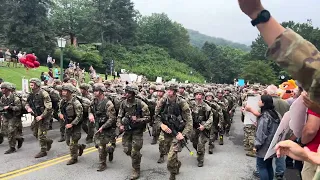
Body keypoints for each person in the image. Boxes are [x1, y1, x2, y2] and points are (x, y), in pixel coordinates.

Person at [154, 83, 193, 180]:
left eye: (171, 90)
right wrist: (161, 125)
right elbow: (156, 116)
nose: (168, 91)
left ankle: (172, 175)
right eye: (167, 89)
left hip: (178, 133)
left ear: (175, 91)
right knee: (167, 152)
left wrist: (182, 134)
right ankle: (177, 164)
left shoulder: (182, 102)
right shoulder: (163, 101)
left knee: (171, 157)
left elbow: (189, 121)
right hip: (166, 132)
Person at [117, 85, 150, 179]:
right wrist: (120, 125)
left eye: (129, 92)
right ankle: (137, 157)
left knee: (134, 151)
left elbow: (148, 118)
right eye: (126, 92)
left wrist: (138, 119)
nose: (126, 94)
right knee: (127, 150)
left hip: (137, 131)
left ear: (133, 94)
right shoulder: (123, 103)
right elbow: (119, 116)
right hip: (127, 130)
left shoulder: (141, 104)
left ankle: (136, 169)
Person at [245, 95, 281, 180]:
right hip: (272, 144)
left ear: (263, 103)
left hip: (264, 146)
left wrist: (256, 146)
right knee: (269, 166)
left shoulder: (265, 116)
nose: (258, 102)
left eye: (260, 101)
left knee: (261, 167)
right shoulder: (275, 114)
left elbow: (261, 134)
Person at [89, 83, 116, 171]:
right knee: (97, 145)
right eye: (94, 91)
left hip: (107, 128)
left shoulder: (108, 103)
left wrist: (103, 127)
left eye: (96, 91)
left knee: (101, 146)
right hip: (98, 126)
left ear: (101, 92)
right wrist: (90, 114)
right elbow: (90, 109)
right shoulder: (94, 101)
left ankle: (102, 164)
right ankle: (110, 150)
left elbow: (112, 118)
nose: (94, 92)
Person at [25, 78, 54, 158]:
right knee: (34, 131)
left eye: (32, 83)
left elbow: (48, 107)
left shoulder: (44, 94)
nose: (31, 84)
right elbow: (26, 103)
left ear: (37, 84)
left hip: (44, 117)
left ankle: (43, 151)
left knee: (41, 135)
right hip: (36, 116)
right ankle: (48, 141)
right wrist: (28, 108)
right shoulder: (31, 94)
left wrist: (41, 116)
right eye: (30, 83)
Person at [58, 83, 86, 165]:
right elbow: (59, 110)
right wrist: (59, 114)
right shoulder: (62, 101)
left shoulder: (76, 103)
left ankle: (74, 158)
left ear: (70, 92)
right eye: (63, 91)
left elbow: (79, 115)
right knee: (67, 142)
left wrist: (72, 124)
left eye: (65, 91)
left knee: (73, 143)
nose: (63, 92)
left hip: (75, 125)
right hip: (67, 123)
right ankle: (80, 146)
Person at [0, 82, 24, 154]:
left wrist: (10, 107)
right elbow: (1, 106)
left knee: (10, 131)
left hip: (14, 116)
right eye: (1, 88)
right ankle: (19, 138)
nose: (2, 90)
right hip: (6, 115)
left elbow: (19, 107)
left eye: (3, 88)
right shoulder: (2, 98)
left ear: (8, 89)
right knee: (5, 131)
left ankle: (12, 147)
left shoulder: (15, 98)